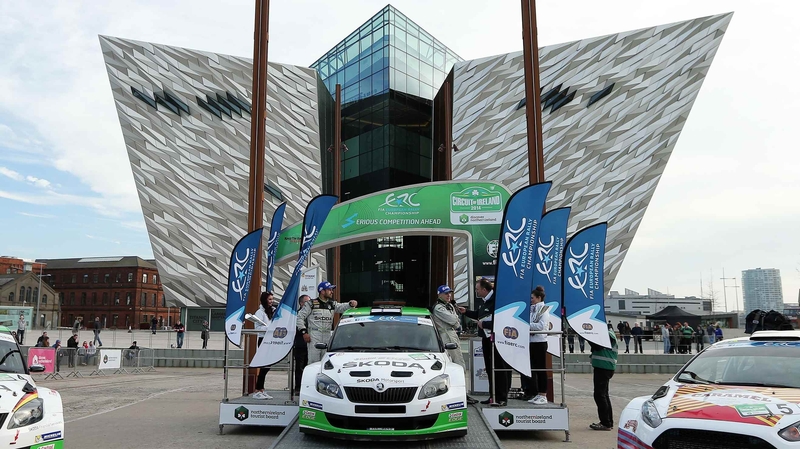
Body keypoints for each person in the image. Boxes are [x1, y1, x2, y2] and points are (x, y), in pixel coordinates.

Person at [462, 278, 510, 407]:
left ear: (484, 289)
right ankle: (492, 395)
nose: (476, 291)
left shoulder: (496, 301)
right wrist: (466, 312)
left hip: (496, 339)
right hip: (486, 338)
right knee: (489, 368)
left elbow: (502, 320)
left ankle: (502, 397)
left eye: (477, 289)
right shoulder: (484, 302)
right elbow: (479, 314)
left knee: (499, 368)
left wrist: (485, 324)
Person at [297, 281, 357, 364]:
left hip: (328, 335)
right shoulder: (311, 304)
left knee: (327, 362)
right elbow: (299, 317)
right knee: (314, 362)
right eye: (329, 289)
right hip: (314, 336)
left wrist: (350, 304)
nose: (332, 291)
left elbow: (342, 307)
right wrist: (304, 332)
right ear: (322, 291)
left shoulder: (332, 304)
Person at [521, 286, 549, 405]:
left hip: (540, 342)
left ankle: (543, 394)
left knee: (541, 369)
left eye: (532, 298)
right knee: (533, 369)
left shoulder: (543, 309)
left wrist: (526, 325)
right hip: (531, 342)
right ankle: (536, 392)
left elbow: (541, 326)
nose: (531, 299)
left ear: (539, 298)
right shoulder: (532, 309)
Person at [589, 325, 618, 431]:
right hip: (604, 367)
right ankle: (608, 422)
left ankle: (605, 423)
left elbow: (598, 346)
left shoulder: (608, 334)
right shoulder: (608, 333)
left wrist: (587, 336)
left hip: (604, 367)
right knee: (603, 395)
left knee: (600, 395)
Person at [253, 291, 276, 400]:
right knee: (264, 365)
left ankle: (261, 388)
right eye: (270, 299)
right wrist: (269, 329)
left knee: (268, 365)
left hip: (271, 339)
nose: (272, 301)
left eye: (272, 299)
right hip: (263, 339)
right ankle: (258, 389)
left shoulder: (273, 311)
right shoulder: (259, 312)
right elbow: (257, 328)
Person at [292, 295, 310, 394]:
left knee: (309, 367)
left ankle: (307, 387)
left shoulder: (311, 314)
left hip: (310, 345)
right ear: (301, 303)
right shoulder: (297, 314)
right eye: (307, 302)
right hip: (300, 344)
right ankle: (298, 388)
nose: (309, 304)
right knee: (299, 367)